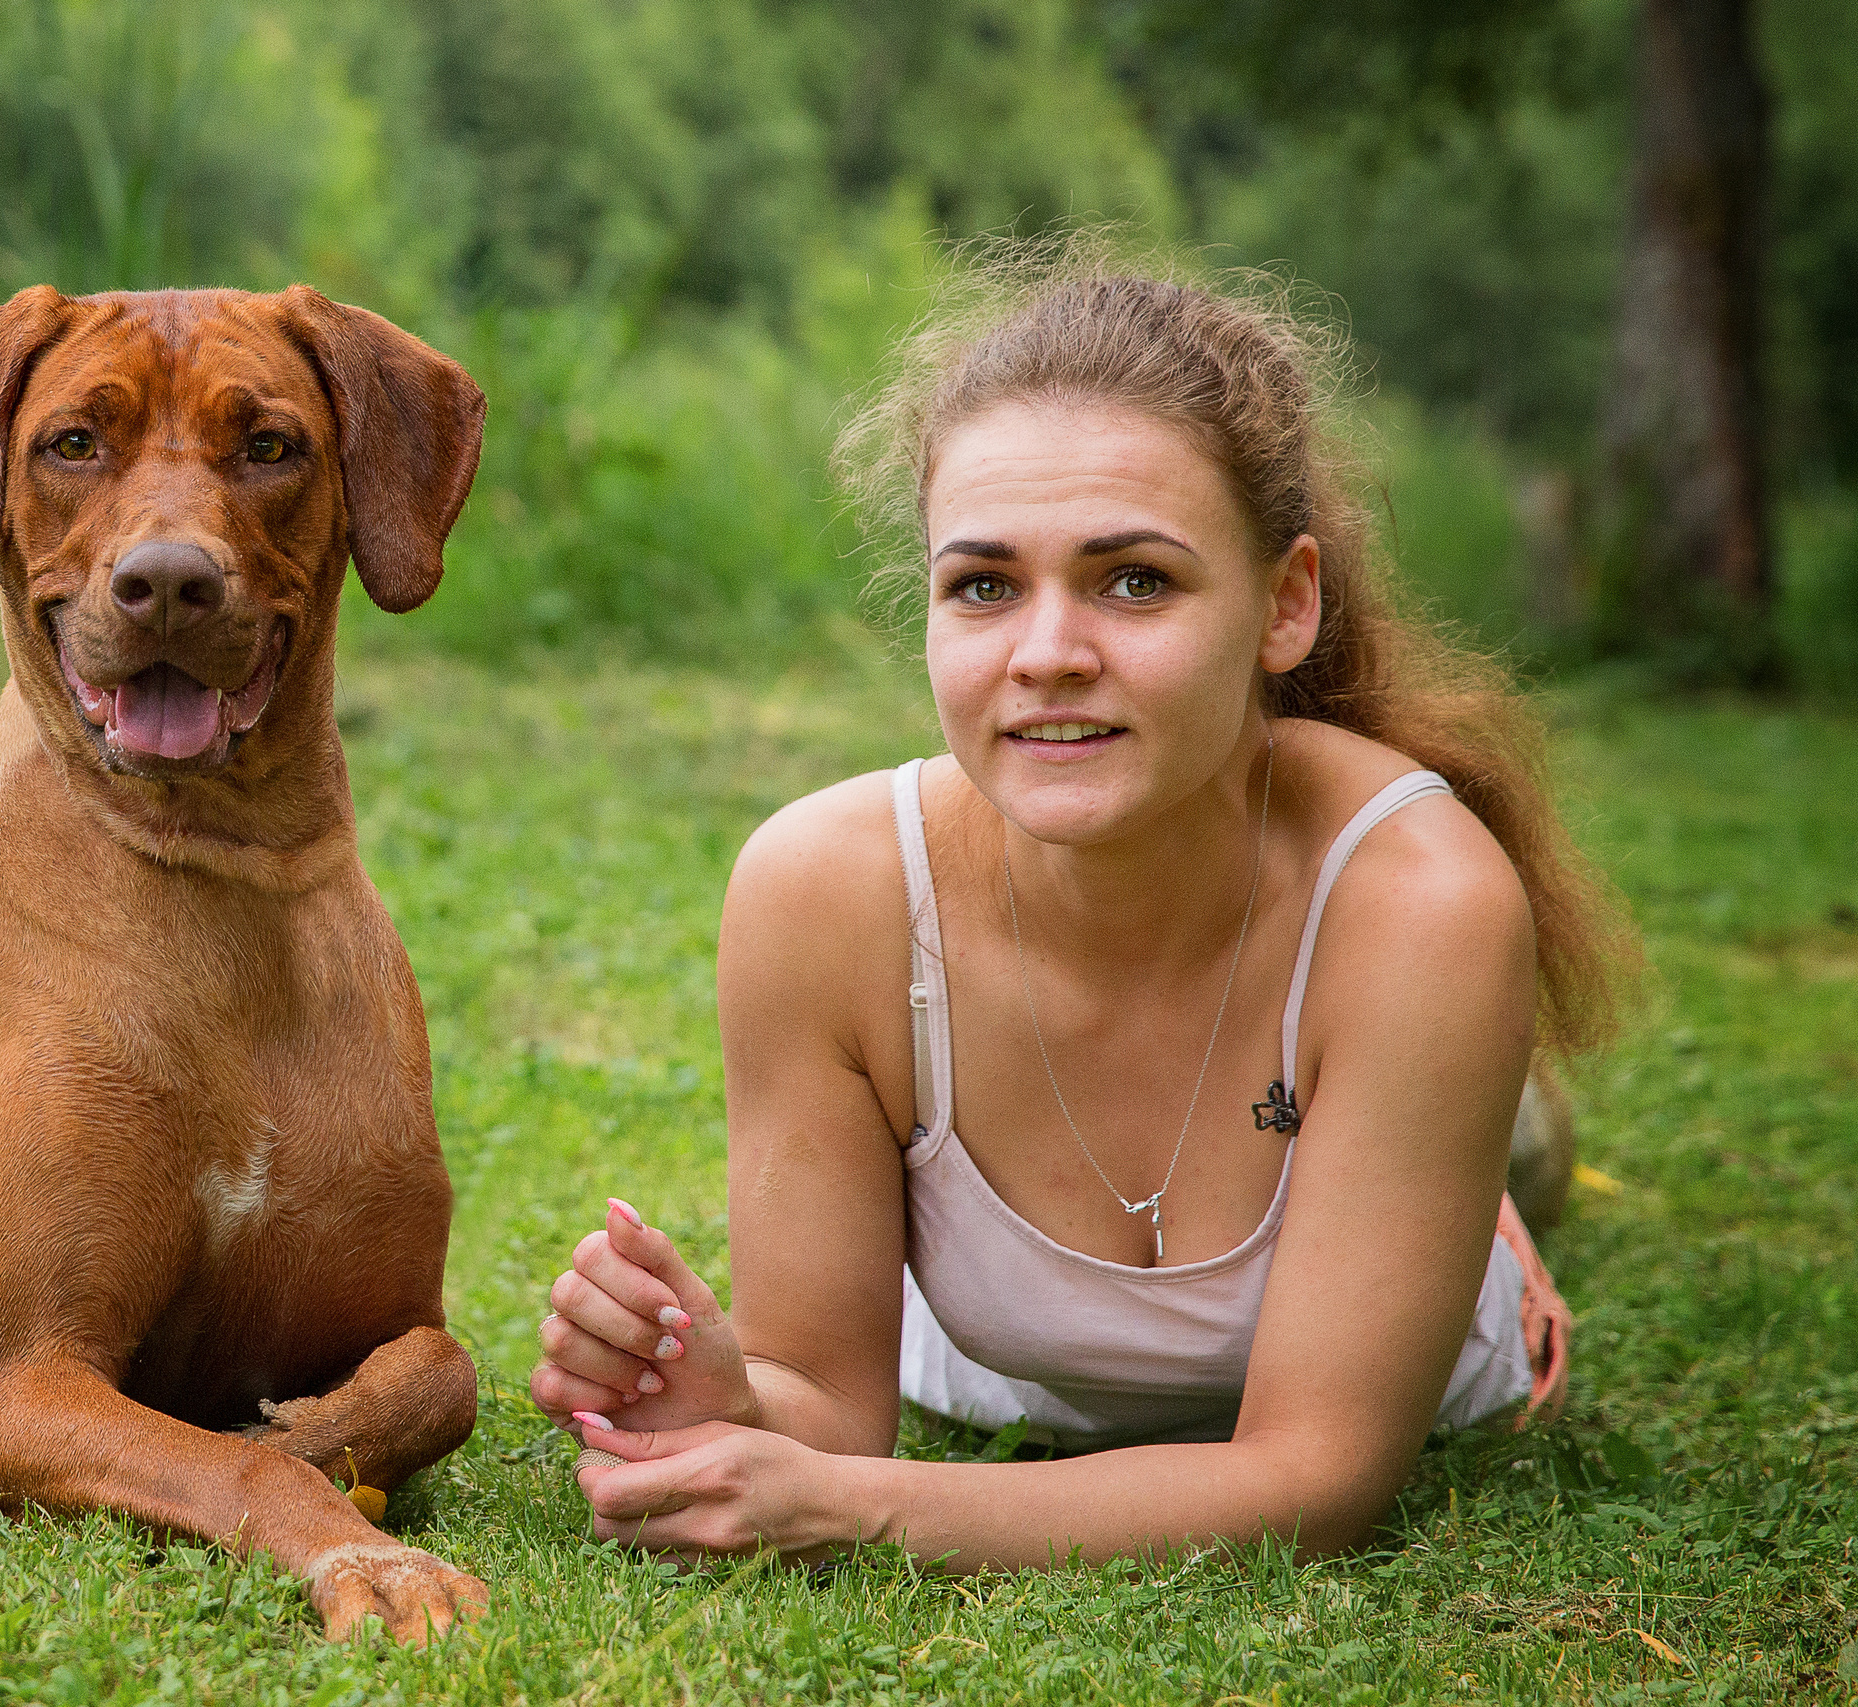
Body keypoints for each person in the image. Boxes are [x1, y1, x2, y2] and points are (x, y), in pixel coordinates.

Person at [526, 248, 1631, 1570]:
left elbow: (1315, 1480)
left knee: (1507, 1147)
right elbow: (817, 1405)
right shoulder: (823, 890)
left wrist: (857, 1513)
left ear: (1285, 605)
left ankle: (1501, 1154)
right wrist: (729, 1406)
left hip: (1400, 1221)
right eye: (985, 585)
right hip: (998, 1383)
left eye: (1134, 580)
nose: (1048, 652)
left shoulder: (1420, 902)